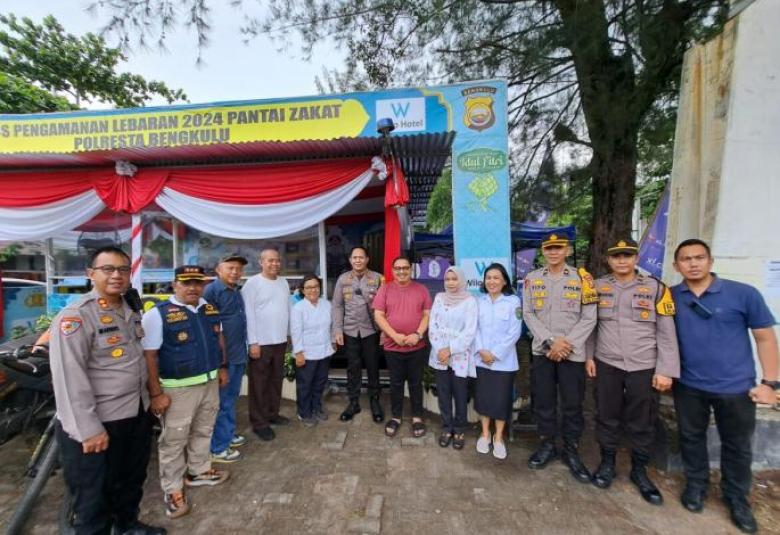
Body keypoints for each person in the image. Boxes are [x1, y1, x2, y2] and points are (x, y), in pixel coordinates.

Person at [49, 246, 165, 535]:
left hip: (134, 413)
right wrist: (88, 430)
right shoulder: (76, 316)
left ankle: (127, 526)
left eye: (123, 269)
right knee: (93, 498)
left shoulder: (129, 309)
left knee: (130, 481)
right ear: (90, 274)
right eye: (108, 269)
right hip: (99, 422)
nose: (116, 275)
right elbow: (69, 377)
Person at [671, 238, 778, 534]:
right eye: (686, 259)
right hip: (688, 383)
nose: (693, 264)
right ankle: (696, 485)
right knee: (691, 438)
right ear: (676, 265)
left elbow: (765, 338)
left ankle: (736, 497)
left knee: (737, 445)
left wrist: (770, 383)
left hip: (735, 386)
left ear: (710, 261)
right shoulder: (670, 296)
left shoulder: (743, 294)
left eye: (699, 257)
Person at [585, 238, 680, 505]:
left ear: (636, 258)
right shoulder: (597, 287)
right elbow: (591, 325)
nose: (622, 260)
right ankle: (607, 464)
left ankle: (639, 471)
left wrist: (666, 370)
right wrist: (589, 356)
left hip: (644, 364)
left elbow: (667, 332)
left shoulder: (656, 288)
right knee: (606, 414)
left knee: (643, 419)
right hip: (607, 362)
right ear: (609, 260)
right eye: (616, 256)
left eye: (627, 255)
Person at [142, 265, 230, 519]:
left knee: (204, 429)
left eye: (197, 283)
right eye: (186, 283)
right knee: (174, 440)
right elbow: (149, 356)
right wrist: (156, 394)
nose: (193, 288)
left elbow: (218, 341)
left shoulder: (208, 309)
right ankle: (172, 488)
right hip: (177, 389)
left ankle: (198, 471)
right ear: (175, 285)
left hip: (209, 383)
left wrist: (222, 367)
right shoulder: (157, 314)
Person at [522, 233, 597, 482]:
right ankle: (547, 444)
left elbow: (589, 317)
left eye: (558, 248)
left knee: (572, 403)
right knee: (544, 401)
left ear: (567, 250)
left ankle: (571, 449)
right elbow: (528, 313)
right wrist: (551, 342)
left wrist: (567, 344)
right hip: (543, 351)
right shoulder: (532, 279)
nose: (553, 252)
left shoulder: (583, 279)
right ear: (543, 251)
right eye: (549, 248)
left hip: (572, 353)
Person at [373, 256, 432, 438]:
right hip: (393, 346)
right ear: (393, 271)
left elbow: (427, 315)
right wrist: (394, 335)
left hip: (417, 346)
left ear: (410, 269)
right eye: (398, 268)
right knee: (396, 383)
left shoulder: (421, 289)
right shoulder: (385, 289)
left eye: (405, 268)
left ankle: (417, 417)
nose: (401, 271)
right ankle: (396, 417)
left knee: (415, 383)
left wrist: (418, 334)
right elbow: (378, 316)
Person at [473, 263, 522, 459]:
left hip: (504, 362)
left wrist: (495, 354)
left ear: (504, 281)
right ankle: (485, 434)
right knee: (483, 398)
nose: (491, 281)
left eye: (496, 278)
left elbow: (514, 332)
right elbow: (474, 328)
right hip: (481, 360)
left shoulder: (513, 302)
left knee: (501, 401)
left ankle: (499, 438)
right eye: (488, 278)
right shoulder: (478, 301)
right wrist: (481, 350)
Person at [241, 248, 291, 441]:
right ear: (261, 262)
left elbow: (287, 309)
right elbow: (248, 314)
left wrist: (288, 334)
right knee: (259, 384)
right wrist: (253, 342)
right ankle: (259, 423)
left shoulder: (283, 282)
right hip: (261, 343)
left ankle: (272, 414)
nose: (274, 264)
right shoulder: (252, 284)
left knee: (276, 380)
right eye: (270, 260)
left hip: (280, 341)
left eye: (277, 260)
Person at [331, 246, 385, 423]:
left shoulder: (378, 279)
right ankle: (353, 402)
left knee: (373, 366)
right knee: (352, 367)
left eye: (361, 257)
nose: (358, 260)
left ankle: (374, 401)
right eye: (354, 257)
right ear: (350, 260)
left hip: (371, 331)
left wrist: (384, 331)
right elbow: (337, 306)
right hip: (350, 330)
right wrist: (337, 330)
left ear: (367, 259)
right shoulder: (343, 279)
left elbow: (385, 306)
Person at [428, 266, 478, 450]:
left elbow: (470, 331)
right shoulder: (439, 298)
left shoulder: (470, 301)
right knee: (443, 393)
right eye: (447, 279)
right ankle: (447, 427)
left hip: (460, 355)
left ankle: (459, 429)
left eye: (454, 279)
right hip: (439, 353)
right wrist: (440, 349)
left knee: (460, 394)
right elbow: (433, 325)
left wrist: (450, 349)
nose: (450, 283)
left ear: (461, 280)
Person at [206, 253, 249, 463]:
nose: (235, 272)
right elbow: (209, 329)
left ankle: (228, 434)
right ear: (218, 269)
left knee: (231, 399)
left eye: (238, 269)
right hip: (224, 358)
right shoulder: (212, 291)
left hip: (238, 354)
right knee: (222, 402)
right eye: (230, 268)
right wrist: (220, 362)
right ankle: (218, 448)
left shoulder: (235, 291)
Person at [291, 274, 335, 426]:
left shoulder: (326, 304)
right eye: (309, 287)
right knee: (305, 385)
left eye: (316, 286)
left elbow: (331, 326)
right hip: (306, 353)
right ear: (303, 290)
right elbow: (295, 332)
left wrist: (333, 342)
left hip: (324, 351)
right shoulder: (298, 308)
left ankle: (316, 407)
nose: (313, 290)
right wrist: (298, 353)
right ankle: (304, 412)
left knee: (319, 383)